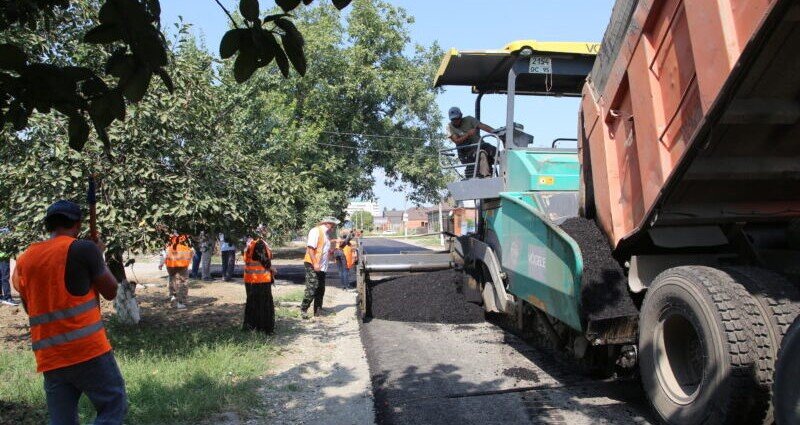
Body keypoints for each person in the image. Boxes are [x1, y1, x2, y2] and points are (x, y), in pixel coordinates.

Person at [12, 200, 126, 424]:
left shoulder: (25, 259)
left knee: (62, 420)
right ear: (78, 224)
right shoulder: (83, 249)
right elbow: (111, 291)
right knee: (113, 404)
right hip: (88, 350)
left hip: (50, 356)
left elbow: (29, 306)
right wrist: (98, 255)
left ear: (48, 225)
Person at [300, 217, 338, 319]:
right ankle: (303, 309)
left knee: (321, 289)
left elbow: (324, 249)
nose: (334, 227)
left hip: (322, 266)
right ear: (327, 224)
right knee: (312, 287)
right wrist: (315, 263)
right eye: (333, 225)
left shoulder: (326, 234)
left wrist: (330, 253)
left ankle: (317, 311)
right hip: (312, 264)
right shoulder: (315, 231)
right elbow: (310, 248)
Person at [447, 106, 497, 178]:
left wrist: (497, 133)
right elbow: (457, 141)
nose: (455, 121)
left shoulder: (469, 119)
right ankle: (486, 177)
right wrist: (468, 134)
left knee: (492, 149)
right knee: (481, 153)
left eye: (457, 119)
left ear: (461, 116)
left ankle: (508, 170)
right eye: (453, 119)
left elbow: (482, 126)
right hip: (467, 152)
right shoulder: (449, 127)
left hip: (481, 146)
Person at [242, 233, 275, 334]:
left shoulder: (248, 242)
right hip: (261, 279)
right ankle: (265, 328)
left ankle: (251, 327)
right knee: (264, 305)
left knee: (252, 304)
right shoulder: (259, 243)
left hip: (250, 279)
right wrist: (271, 268)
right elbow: (263, 258)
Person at [159, 233, 192, 309]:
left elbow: (163, 254)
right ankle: (181, 302)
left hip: (171, 266)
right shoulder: (185, 243)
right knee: (183, 283)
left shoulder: (168, 243)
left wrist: (161, 264)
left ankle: (173, 297)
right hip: (183, 266)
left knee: (172, 280)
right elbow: (192, 253)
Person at [0, 226, 18, 306]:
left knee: (3, 278)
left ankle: (3, 297)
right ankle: (7, 298)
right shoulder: (6, 230)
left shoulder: (5, 229)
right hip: (4, 257)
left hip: (3, 256)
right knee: (4, 278)